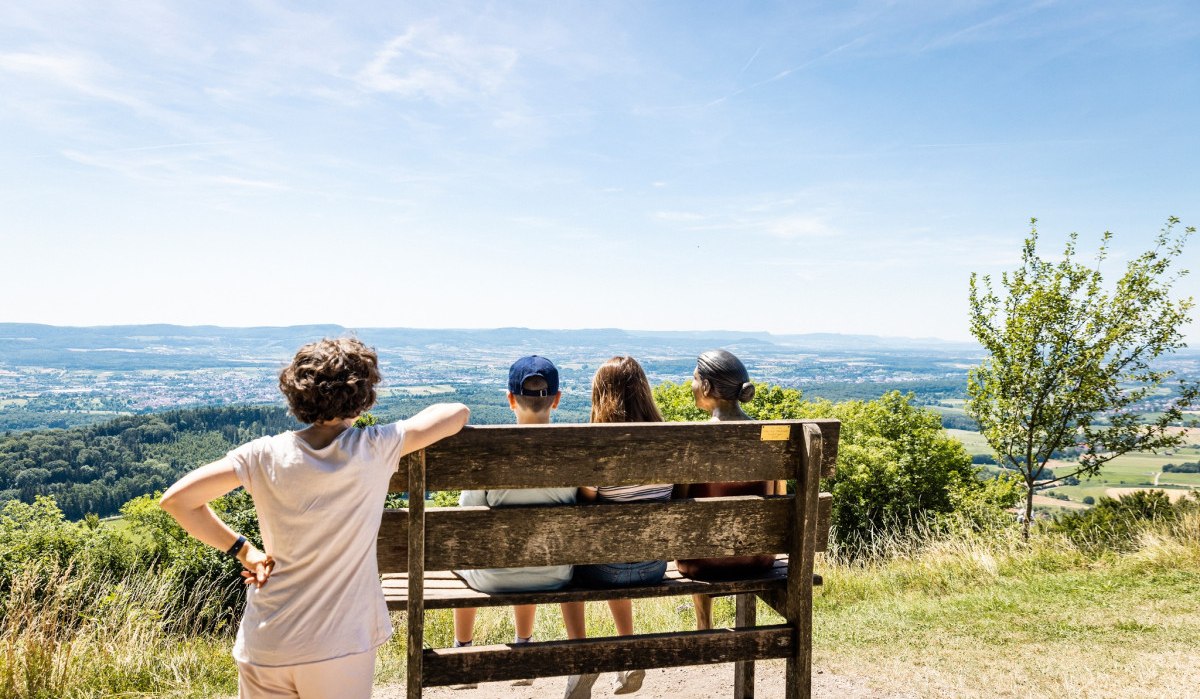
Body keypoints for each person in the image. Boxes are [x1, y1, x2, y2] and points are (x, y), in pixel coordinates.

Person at [159, 337, 469, 699]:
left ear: (296, 393)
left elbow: (177, 500)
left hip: (266, 640)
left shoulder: (263, 454)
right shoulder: (374, 448)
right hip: (339, 642)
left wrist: (245, 551)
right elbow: (456, 412)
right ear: (362, 396)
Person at [450, 356, 585, 688]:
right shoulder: (576, 451)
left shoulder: (488, 453)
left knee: (462, 551)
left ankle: (463, 653)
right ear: (557, 399)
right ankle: (524, 648)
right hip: (554, 574)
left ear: (509, 399)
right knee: (535, 547)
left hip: (493, 579)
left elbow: (467, 516)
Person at [560, 356, 672, 699]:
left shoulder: (598, 445)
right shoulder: (671, 442)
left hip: (605, 568)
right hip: (653, 566)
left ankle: (580, 657)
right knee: (623, 547)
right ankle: (628, 650)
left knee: (568, 565)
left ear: (601, 396)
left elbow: (586, 502)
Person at [675, 349, 785, 630]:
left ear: (708, 387)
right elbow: (780, 495)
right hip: (759, 558)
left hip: (704, 563)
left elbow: (680, 504)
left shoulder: (695, 440)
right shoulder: (770, 436)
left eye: (695, 379)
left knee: (697, 529)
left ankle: (704, 622)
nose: (692, 386)